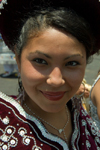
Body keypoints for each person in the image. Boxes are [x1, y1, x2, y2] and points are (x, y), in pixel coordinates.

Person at [0, 0, 100, 149]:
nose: (56, 80)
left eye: (72, 63)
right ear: (18, 61)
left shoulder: (78, 112)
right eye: (40, 61)